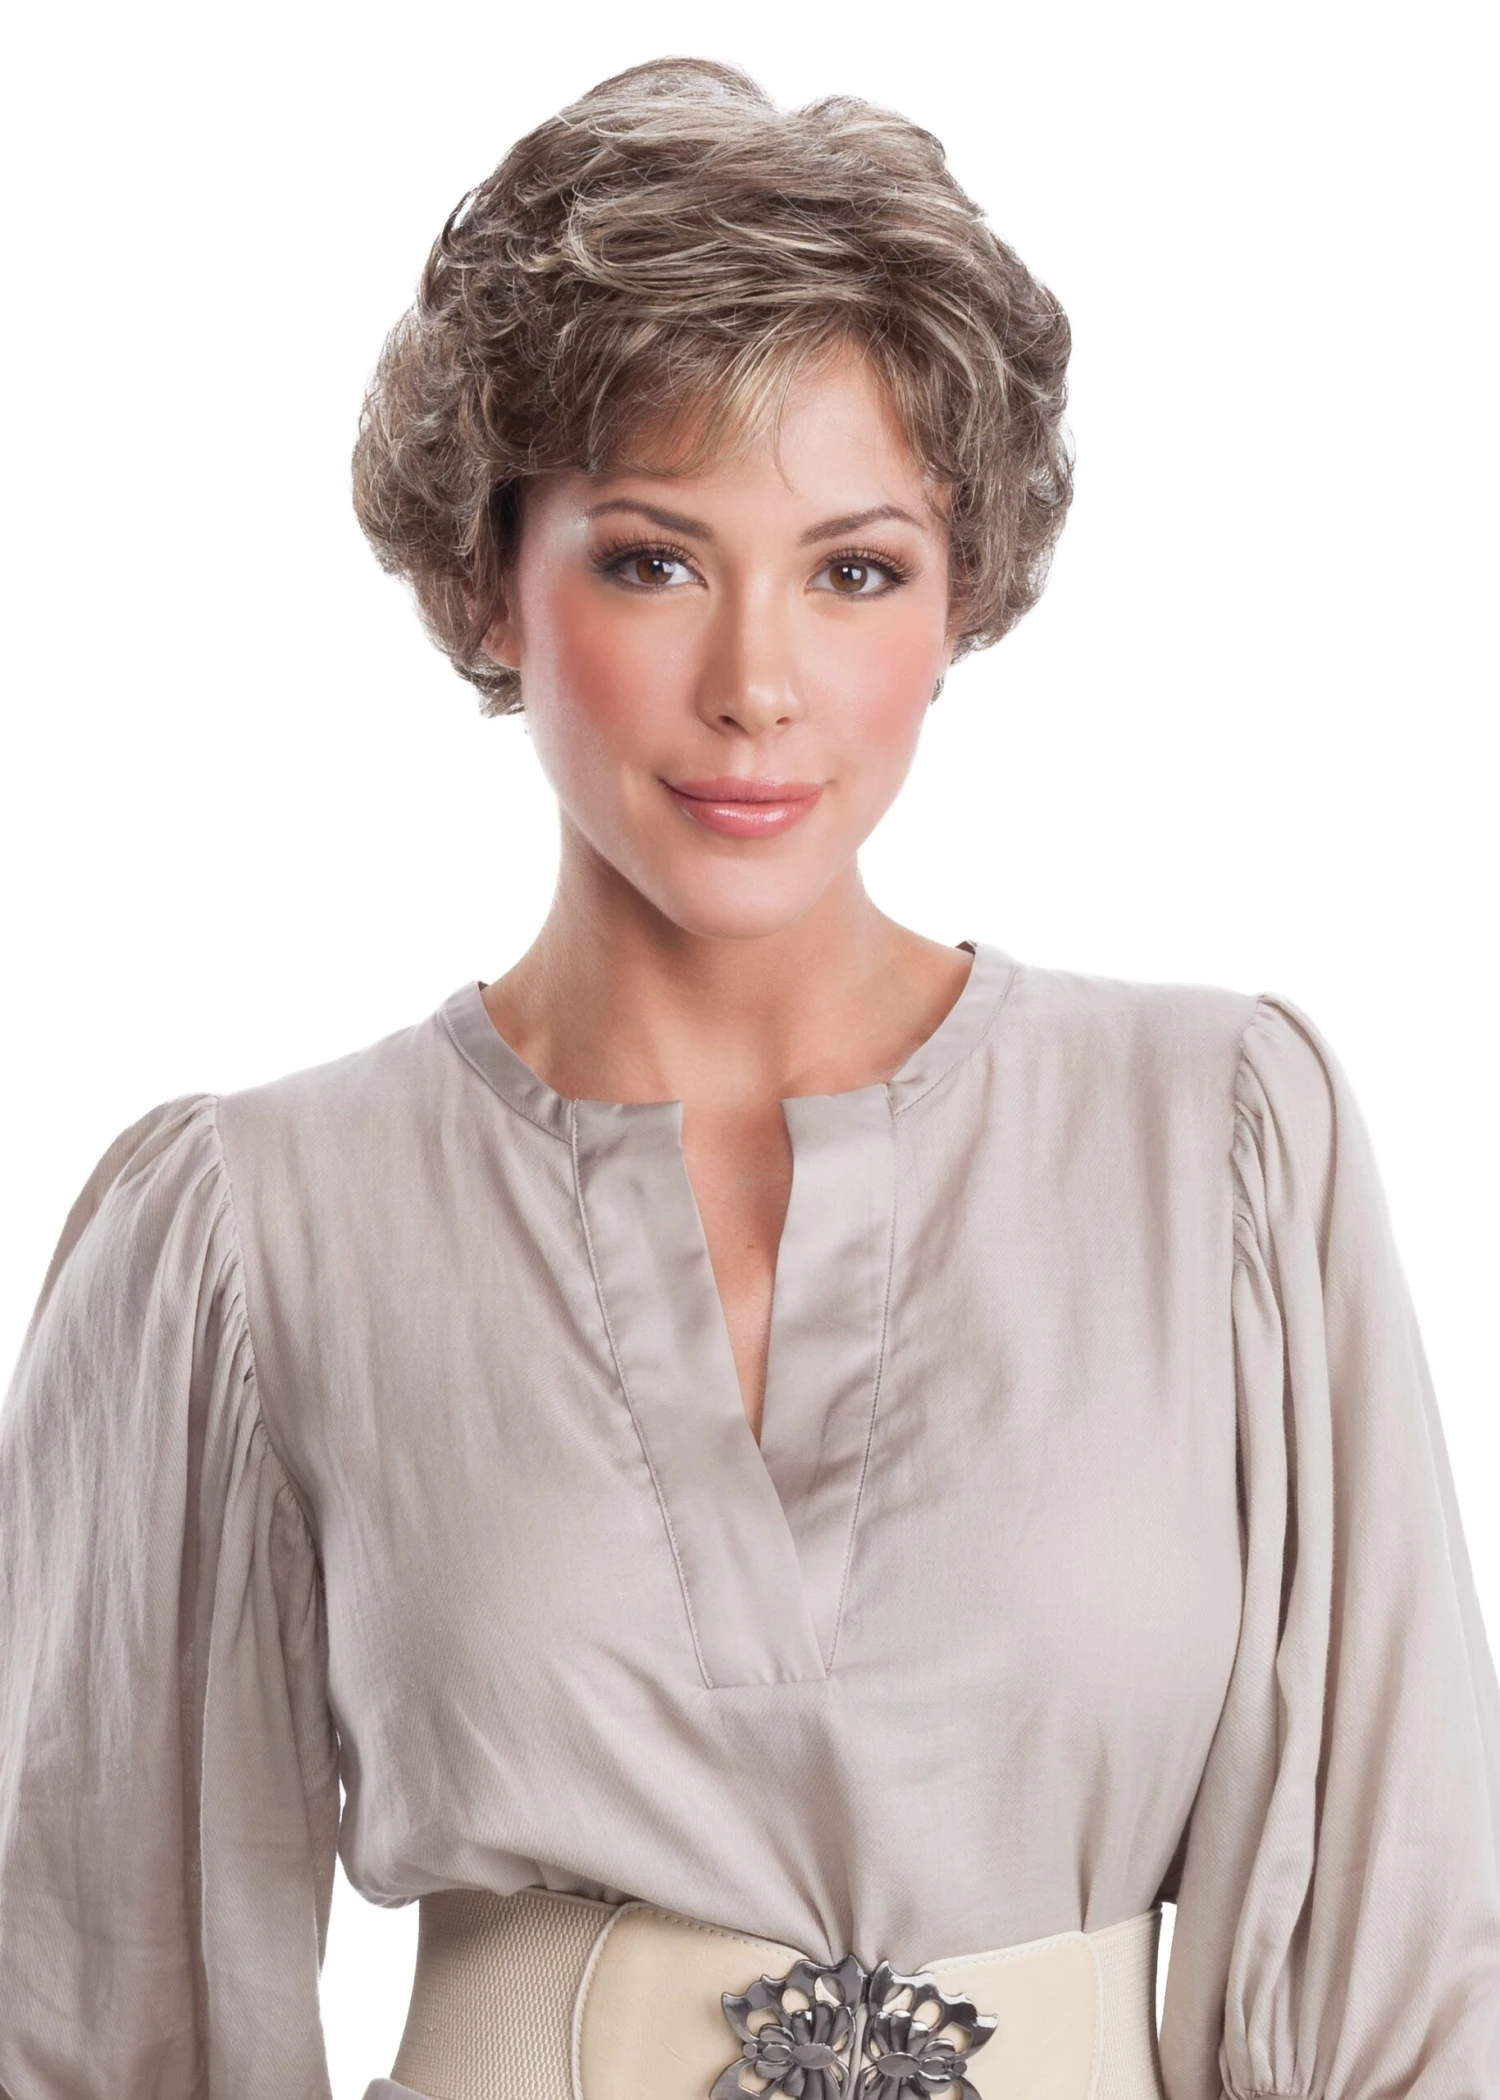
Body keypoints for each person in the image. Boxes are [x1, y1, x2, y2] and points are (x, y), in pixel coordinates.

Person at [1, 53, 1497, 2100]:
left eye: (854, 569)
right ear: (487, 580)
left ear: (962, 596)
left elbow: (1406, 1975)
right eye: (653, 558)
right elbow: (100, 2012)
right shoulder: (252, 1234)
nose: (759, 686)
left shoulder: (1219, 1141)